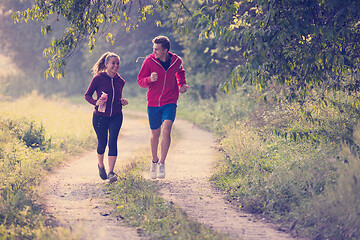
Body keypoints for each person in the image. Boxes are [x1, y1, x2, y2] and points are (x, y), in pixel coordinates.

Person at [137, 36, 189, 179]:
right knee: (155, 135)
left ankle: (162, 163)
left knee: (167, 130)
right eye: (153, 49)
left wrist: (182, 84)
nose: (154, 52)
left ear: (165, 50)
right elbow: (140, 80)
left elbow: (180, 71)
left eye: (157, 49)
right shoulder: (149, 61)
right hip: (153, 103)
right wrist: (149, 79)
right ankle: (154, 161)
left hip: (170, 101)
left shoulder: (176, 61)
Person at [85, 52, 128, 183]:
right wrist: (95, 102)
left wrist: (122, 101)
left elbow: (117, 97)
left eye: (118, 63)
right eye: (113, 63)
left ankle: (111, 172)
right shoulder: (98, 79)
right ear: (106, 64)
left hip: (116, 115)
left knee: (113, 141)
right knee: (102, 143)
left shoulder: (121, 81)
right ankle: (101, 165)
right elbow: (87, 95)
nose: (116, 65)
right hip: (100, 117)